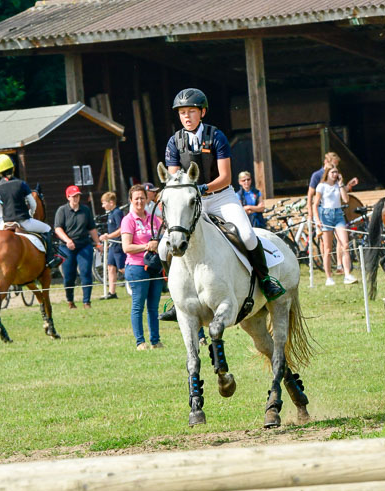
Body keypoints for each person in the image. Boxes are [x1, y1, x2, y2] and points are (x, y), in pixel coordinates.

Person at [158, 87, 285, 322]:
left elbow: (225, 177)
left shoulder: (216, 136)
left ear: (202, 112)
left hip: (220, 197)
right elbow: (174, 177)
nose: (186, 116)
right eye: (182, 112)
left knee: (247, 235)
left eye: (191, 112)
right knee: (163, 248)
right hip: (190, 202)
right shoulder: (174, 142)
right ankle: (176, 299)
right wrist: (186, 192)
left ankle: (266, 281)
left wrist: (203, 188)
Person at [0, 153, 61, 268]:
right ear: (13, 168)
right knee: (47, 229)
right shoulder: (21, 184)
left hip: (6, 223)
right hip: (23, 222)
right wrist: (31, 213)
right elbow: (33, 203)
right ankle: (50, 259)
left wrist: (3, 219)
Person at [121, 184, 164, 350]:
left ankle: (155, 340)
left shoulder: (153, 218)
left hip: (154, 266)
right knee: (138, 305)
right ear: (131, 200)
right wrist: (147, 246)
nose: (140, 201)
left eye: (142, 198)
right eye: (136, 198)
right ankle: (140, 341)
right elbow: (126, 247)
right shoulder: (128, 220)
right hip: (137, 267)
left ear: (147, 199)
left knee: (153, 306)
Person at [307, 152, 358, 273]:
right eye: (333, 164)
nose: (336, 170)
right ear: (326, 162)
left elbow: (342, 195)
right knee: (325, 243)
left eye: (336, 165)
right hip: (322, 210)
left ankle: (340, 265)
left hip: (337, 211)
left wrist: (348, 185)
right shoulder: (317, 176)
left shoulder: (336, 178)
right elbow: (310, 196)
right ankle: (327, 269)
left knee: (342, 240)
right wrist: (311, 214)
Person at [54, 185, 102, 309]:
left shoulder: (85, 210)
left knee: (86, 272)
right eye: (73, 196)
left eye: (78, 196)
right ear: (68, 197)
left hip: (84, 245)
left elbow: (91, 228)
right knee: (69, 275)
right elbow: (58, 228)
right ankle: (70, 300)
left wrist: (97, 243)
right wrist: (67, 240)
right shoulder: (62, 210)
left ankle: (87, 301)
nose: (76, 198)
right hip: (67, 247)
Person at [98, 191, 124, 299]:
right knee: (110, 267)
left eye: (104, 203)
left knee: (122, 268)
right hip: (112, 245)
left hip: (117, 245)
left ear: (111, 202)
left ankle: (136, 283)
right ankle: (112, 292)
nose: (103, 206)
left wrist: (108, 236)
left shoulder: (117, 213)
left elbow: (121, 229)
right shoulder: (111, 213)